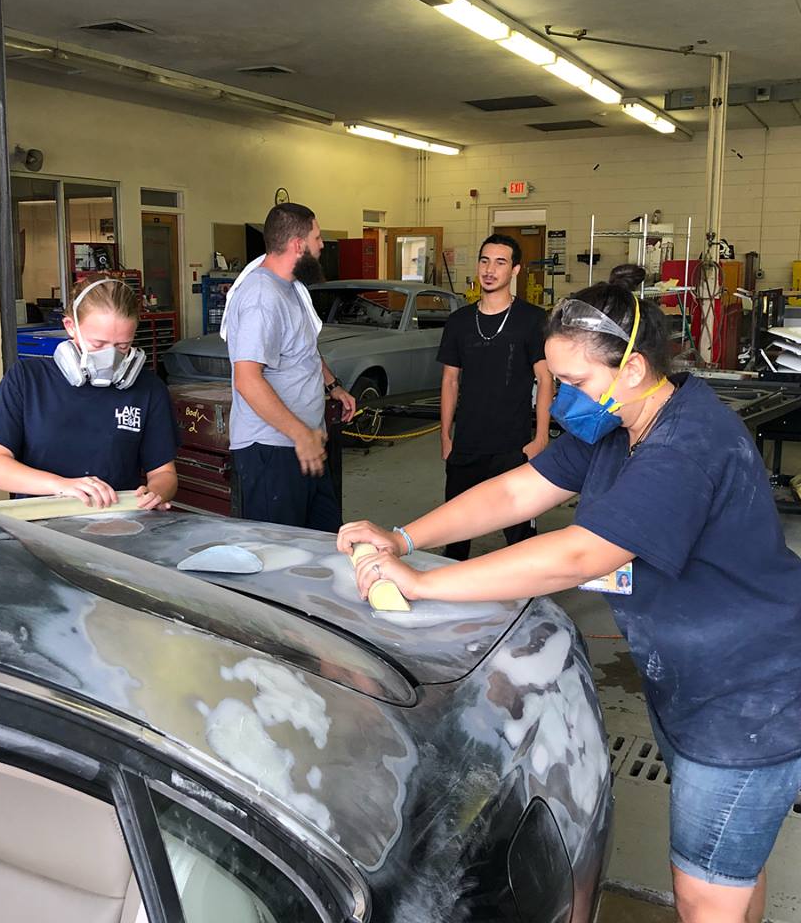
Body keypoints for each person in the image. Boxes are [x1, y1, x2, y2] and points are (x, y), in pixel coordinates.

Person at [339, 282, 801, 923]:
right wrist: (406, 538)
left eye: (576, 382)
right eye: (556, 382)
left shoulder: (686, 446)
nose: (562, 401)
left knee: (704, 893)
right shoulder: (618, 422)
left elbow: (580, 555)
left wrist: (423, 583)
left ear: (632, 368)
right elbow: (516, 492)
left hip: (750, 696)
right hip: (695, 683)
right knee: (729, 865)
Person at [0, 278, 179, 509]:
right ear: (71, 327)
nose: (110, 357)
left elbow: (164, 473)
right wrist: (61, 486)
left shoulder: (149, 389)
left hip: (117, 523)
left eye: (122, 346)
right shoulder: (27, 379)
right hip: (39, 524)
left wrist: (155, 494)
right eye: (98, 344)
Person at [222, 202, 356, 531]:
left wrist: (332, 386)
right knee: (279, 552)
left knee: (325, 542)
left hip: (303, 445)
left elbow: (303, 349)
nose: (321, 245)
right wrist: (300, 435)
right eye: (317, 238)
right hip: (272, 451)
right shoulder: (261, 297)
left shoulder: (290, 289)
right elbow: (247, 380)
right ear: (298, 245)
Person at [437, 233, 553, 558]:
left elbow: (545, 379)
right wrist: (445, 437)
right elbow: (449, 381)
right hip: (466, 445)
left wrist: (541, 438)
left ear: (515, 270)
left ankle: (529, 587)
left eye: (500, 262)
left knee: (521, 537)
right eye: (485, 261)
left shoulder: (532, 320)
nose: (490, 270)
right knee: (455, 532)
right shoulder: (459, 322)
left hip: (513, 447)